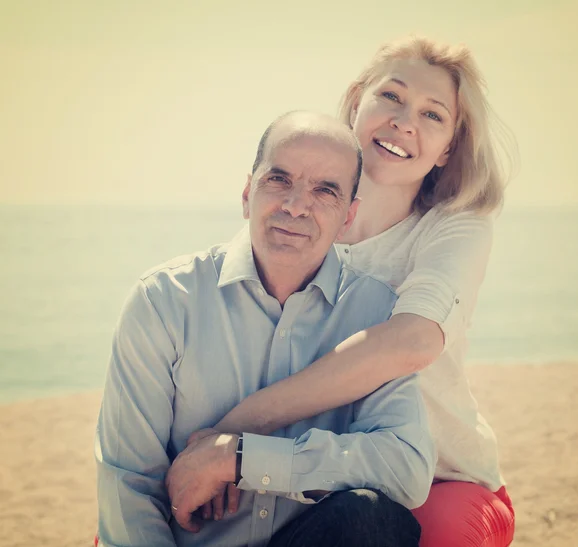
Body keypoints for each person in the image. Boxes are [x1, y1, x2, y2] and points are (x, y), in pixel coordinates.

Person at [206, 37, 517, 547]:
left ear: (448, 149)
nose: (404, 122)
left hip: (440, 476)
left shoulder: (455, 229)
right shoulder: (297, 221)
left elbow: (412, 342)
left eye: (433, 115)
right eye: (391, 97)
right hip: (314, 464)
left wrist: (237, 428)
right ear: (356, 102)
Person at [95, 111, 435, 547]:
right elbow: (129, 484)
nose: (295, 205)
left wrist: (240, 459)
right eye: (278, 180)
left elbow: (405, 468)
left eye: (324, 190)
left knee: (370, 516)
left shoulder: (376, 312)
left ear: (348, 217)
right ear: (246, 193)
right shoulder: (163, 301)